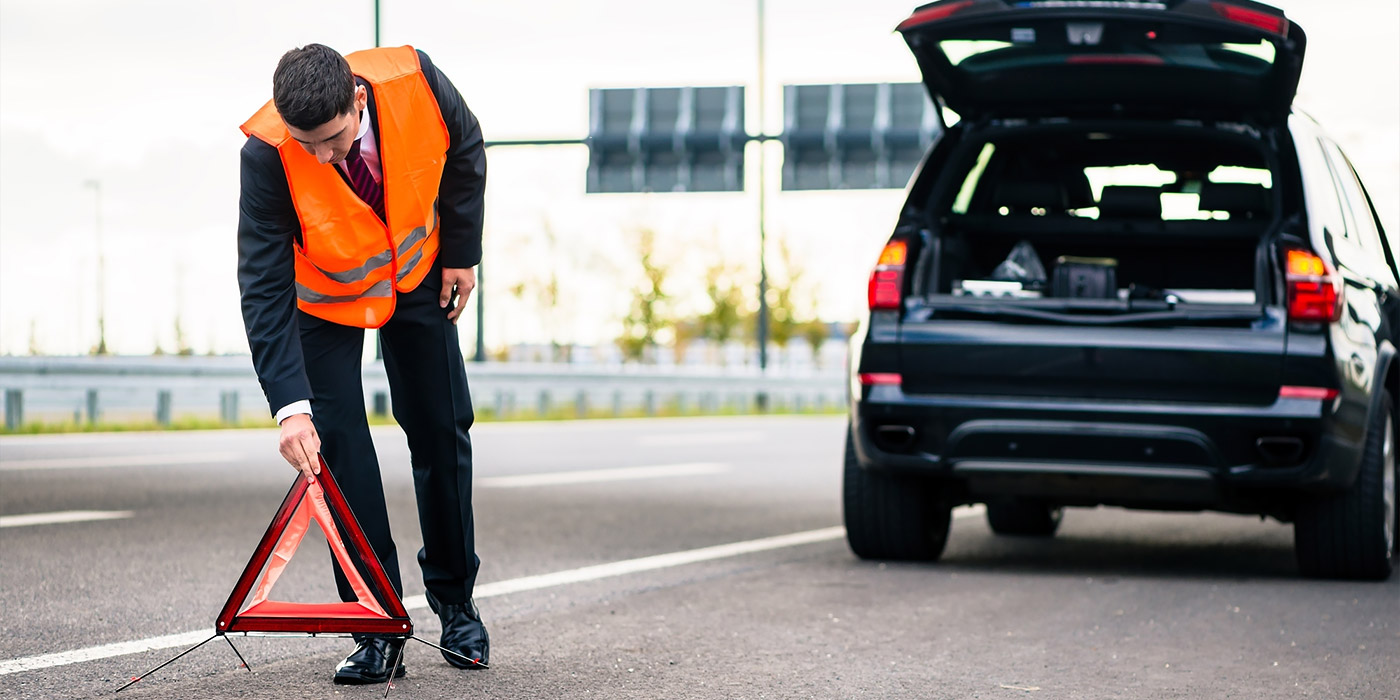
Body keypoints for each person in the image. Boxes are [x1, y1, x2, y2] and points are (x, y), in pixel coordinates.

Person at [236, 43, 488, 685]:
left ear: (357, 99)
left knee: (440, 429)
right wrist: (289, 408)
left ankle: (456, 604)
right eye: (307, 144)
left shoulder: (415, 80)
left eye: (333, 140)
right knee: (336, 448)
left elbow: (465, 149)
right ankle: (375, 624)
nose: (321, 157)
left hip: (418, 272)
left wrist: (461, 252)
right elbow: (263, 281)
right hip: (325, 298)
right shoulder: (266, 151)